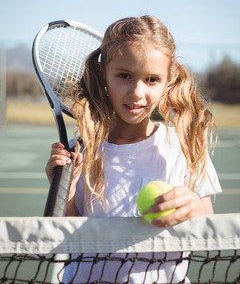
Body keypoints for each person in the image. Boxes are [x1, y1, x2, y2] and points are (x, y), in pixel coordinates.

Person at [46, 15, 222, 283]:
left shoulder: (184, 147)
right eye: (124, 76)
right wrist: (66, 192)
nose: (137, 92)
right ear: (103, 75)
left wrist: (191, 208)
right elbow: (63, 239)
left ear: (168, 83)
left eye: (152, 79)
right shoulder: (79, 152)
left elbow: (212, 235)